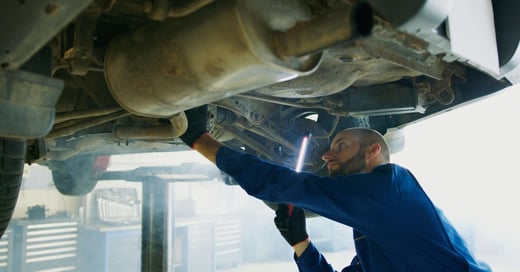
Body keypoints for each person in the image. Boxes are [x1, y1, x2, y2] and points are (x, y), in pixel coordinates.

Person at [179, 106, 491, 271]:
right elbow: (289, 187)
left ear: (373, 151)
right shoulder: (379, 229)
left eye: (340, 145)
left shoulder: (388, 189)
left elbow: (289, 186)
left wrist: (201, 140)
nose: (327, 155)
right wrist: (301, 243)